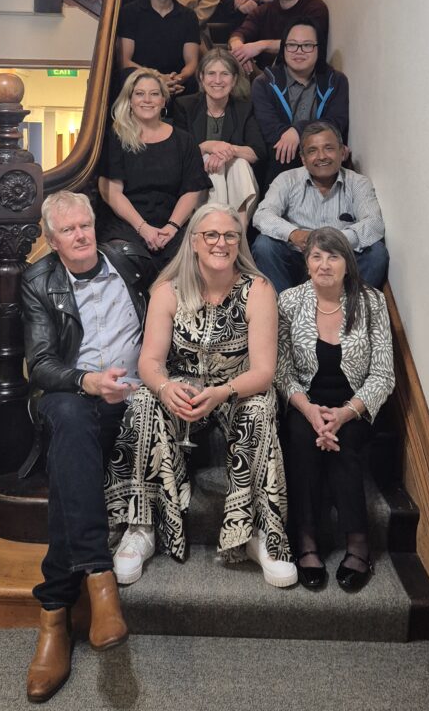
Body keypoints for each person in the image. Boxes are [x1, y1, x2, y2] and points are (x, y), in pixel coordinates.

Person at [105, 204, 296, 588]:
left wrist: (223, 391)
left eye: (230, 235)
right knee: (143, 401)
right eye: (211, 235)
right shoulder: (167, 289)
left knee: (259, 407)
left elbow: (263, 372)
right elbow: (150, 361)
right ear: (194, 242)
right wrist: (164, 387)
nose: (221, 243)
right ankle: (141, 526)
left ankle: (261, 533)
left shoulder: (257, 289)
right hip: (182, 386)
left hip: (237, 388)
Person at [21, 191, 154, 703]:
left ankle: (53, 616)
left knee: (68, 470)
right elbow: (42, 366)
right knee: (72, 423)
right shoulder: (39, 282)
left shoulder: (128, 261)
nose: (81, 236)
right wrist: (88, 381)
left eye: (86, 226)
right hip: (71, 394)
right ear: (52, 241)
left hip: (134, 397)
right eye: (69, 231)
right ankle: (100, 578)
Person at [276, 227, 395, 591]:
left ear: (348, 264)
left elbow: (383, 375)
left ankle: (358, 544)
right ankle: (307, 542)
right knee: (299, 436)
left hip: (355, 404)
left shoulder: (371, 302)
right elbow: (281, 369)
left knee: (345, 444)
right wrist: (311, 412)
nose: (324, 264)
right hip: (304, 400)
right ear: (306, 263)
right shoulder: (288, 301)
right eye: (316, 256)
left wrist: (343, 414)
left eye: (333, 256)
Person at [252, 121, 389, 293]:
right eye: (312, 151)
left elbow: (374, 223)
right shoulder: (286, 179)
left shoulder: (358, 183)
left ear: (342, 152)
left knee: (377, 253)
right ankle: (285, 311)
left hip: (341, 261)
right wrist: (294, 234)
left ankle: (349, 311)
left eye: (329, 148)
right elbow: (262, 214)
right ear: (303, 158)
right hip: (298, 260)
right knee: (264, 245)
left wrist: (336, 240)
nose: (321, 156)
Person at [97, 69, 210, 270]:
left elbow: (192, 190)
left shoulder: (184, 140)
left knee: (193, 256)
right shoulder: (116, 138)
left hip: (172, 224)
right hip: (128, 223)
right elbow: (112, 193)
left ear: (164, 101)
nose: (147, 100)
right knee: (122, 257)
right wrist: (143, 229)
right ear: (129, 100)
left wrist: (172, 227)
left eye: (154, 94)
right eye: (139, 94)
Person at [173, 51, 265, 226]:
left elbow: (257, 152)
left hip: (234, 184)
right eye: (211, 73)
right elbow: (178, 154)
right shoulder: (185, 105)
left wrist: (228, 150)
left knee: (240, 164)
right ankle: (223, 230)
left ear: (235, 79)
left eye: (224, 74)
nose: (217, 80)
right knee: (211, 162)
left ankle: (238, 234)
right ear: (201, 77)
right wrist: (208, 146)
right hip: (194, 186)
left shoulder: (244, 108)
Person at [251, 20, 349, 182]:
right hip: (280, 164)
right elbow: (271, 132)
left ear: (319, 48)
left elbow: (335, 123)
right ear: (283, 48)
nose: (299, 51)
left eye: (307, 45)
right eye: (292, 45)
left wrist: (298, 130)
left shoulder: (336, 81)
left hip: (322, 162)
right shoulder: (264, 84)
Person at [117, 0, 200, 96]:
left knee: (194, 82)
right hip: (141, 87)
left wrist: (176, 79)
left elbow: (191, 63)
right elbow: (125, 61)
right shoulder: (130, 13)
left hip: (177, 86)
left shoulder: (188, 16)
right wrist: (158, 79)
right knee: (126, 75)